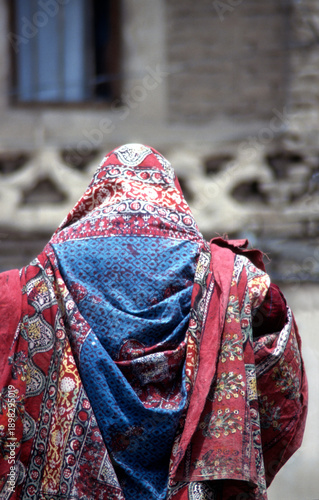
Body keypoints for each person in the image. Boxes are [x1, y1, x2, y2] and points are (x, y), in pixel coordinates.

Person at [0, 144, 307, 500]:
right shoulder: (226, 276)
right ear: (170, 189)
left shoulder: (43, 275)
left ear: (98, 191)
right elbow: (281, 374)